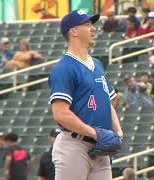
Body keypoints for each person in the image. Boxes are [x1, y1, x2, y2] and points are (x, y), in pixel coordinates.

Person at [48, 10, 123, 180]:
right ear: (73, 31)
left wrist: (118, 131)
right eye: (87, 25)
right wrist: (95, 133)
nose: (93, 29)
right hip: (74, 145)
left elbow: (107, 102)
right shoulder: (64, 67)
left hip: (101, 148)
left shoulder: (97, 64)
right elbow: (60, 114)